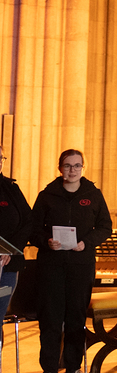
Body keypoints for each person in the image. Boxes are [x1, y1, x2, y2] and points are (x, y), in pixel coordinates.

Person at [32, 149, 113, 373]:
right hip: (51, 267)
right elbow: (33, 229)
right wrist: (46, 241)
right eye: (68, 165)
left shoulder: (93, 195)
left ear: (83, 168)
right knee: (50, 320)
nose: (72, 170)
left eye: (77, 165)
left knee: (76, 320)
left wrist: (87, 243)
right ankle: (49, 368)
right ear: (60, 168)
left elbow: (105, 227)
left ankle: (73, 367)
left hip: (81, 266)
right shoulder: (46, 195)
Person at [0, 145, 31, 353]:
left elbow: (28, 221)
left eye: (0, 158)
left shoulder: (11, 189)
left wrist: (8, 249)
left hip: (7, 270)